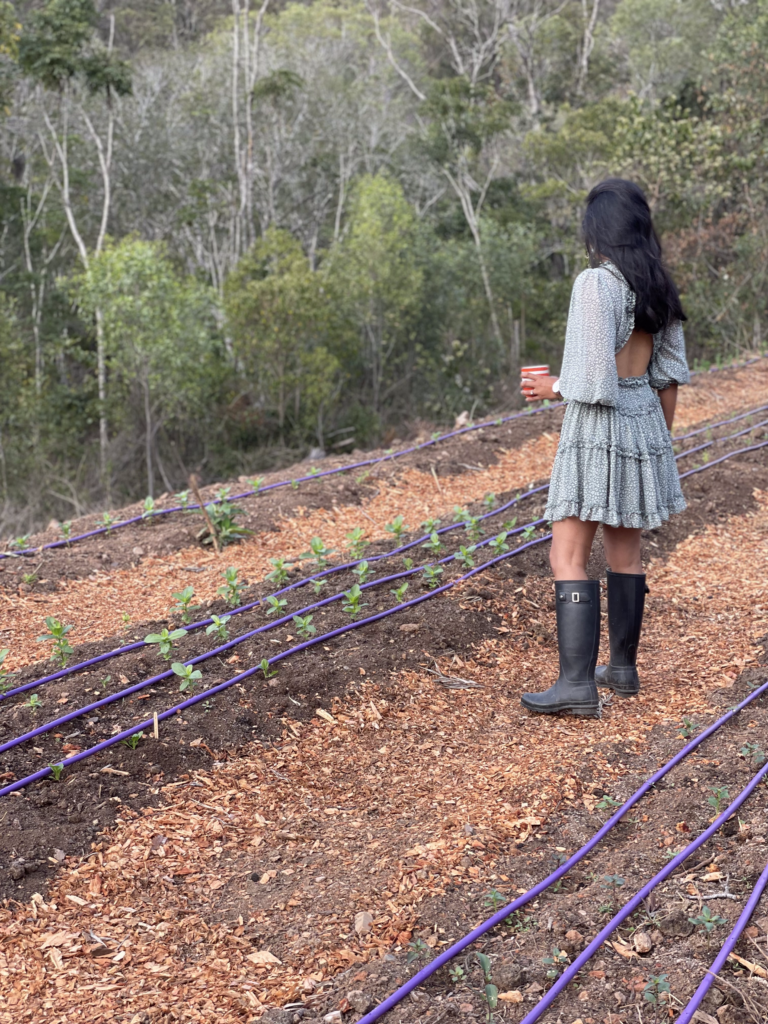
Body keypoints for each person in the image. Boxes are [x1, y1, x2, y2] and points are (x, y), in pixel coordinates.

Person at [518, 178, 689, 716]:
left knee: (566, 554)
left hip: (596, 429)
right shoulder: (657, 287)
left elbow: (592, 380)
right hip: (642, 423)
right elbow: (668, 377)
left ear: (599, 231)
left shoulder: (597, 284)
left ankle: (575, 685)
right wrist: (656, 444)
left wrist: (551, 388)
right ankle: (620, 668)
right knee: (626, 551)